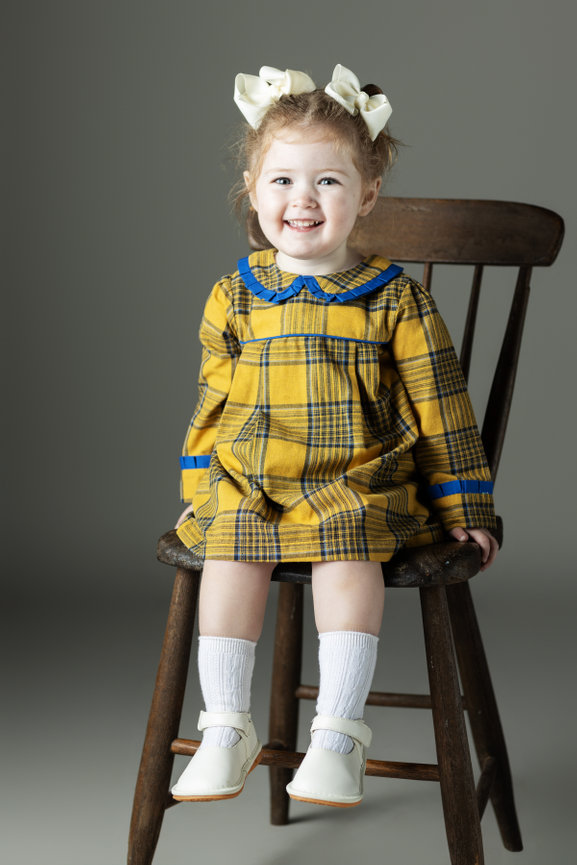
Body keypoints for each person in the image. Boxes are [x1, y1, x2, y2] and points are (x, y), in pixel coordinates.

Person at [170, 64, 499, 808]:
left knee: (344, 548)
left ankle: (339, 731)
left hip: (357, 479)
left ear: (366, 195)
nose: (302, 200)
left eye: (327, 181)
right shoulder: (234, 296)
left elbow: (442, 408)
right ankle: (226, 723)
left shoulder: (396, 298)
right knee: (228, 548)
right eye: (282, 181)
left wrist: (466, 505)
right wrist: (198, 489)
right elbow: (211, 406)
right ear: (252, 193)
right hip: (252, 476)